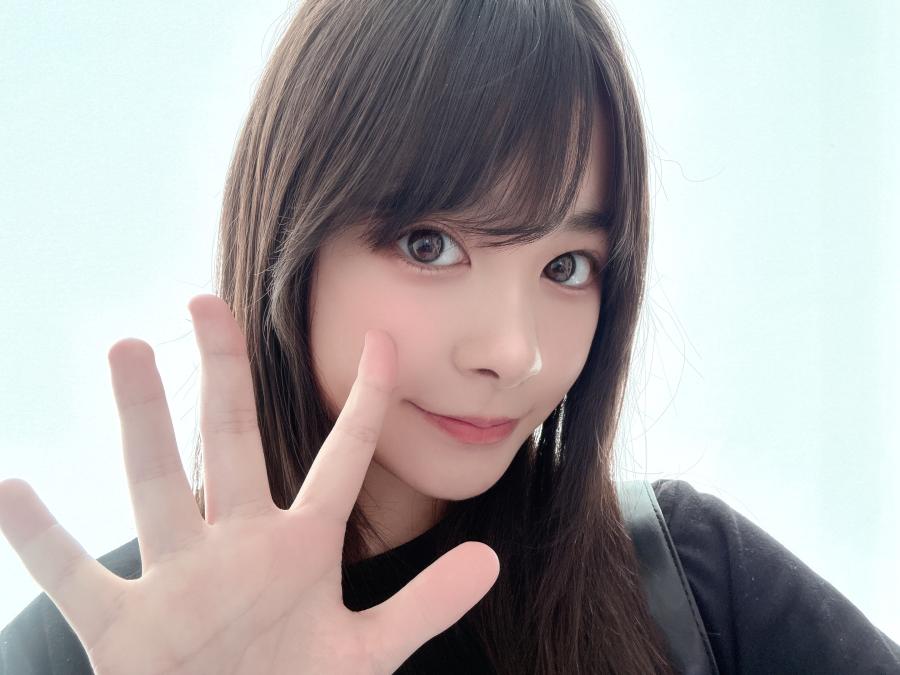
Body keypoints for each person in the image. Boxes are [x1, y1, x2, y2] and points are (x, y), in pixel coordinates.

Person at [0, 1, 898, 673]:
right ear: (290, 240)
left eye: (567, 265)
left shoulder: (692, 585)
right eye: (431, 245)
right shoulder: (91, 647)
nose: (515, 352)